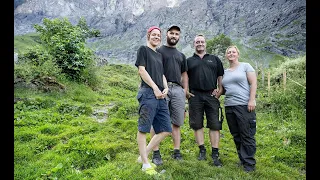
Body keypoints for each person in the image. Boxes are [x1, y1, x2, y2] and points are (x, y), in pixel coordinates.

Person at [135, 26, 172, 175]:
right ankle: (145, 163)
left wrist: (165, 88)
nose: (156, 37)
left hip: (160, 96)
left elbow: (162, 74)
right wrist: (155, 88)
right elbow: (142, 70)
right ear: (148, 36)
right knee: (144, 128)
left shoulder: (159, 55)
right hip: (148, 94)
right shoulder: (143, 50)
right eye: (154, 35)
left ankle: (142, 155)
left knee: (166, 130)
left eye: (158, 35)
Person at [150, 25, 188, 166]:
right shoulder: (158, 51)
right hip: (161, 89)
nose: (174, 36)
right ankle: (156, 152)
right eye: (171, 33)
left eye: (176, 34)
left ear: (179, 36)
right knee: (157, 121)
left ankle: (176, 152)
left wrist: (185, 91)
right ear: (166, 34)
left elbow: (184, 74)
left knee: (177, 122)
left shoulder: (181, 55)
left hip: (178, 90)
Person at [186, 34, 224, 167]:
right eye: (197, 42)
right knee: (197, 124)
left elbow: (220, 76)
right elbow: (184, 77)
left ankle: (215, 153)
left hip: (211, 95)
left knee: (214, 124)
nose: (200, 44)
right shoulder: (189, 60)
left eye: (202, 42)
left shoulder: (214, 59)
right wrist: (186, 90)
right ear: (194, 44)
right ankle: (202, 150)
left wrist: (220, 90)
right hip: (195, 96)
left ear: (205, 44)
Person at [220, 45, 257, 172]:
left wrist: (251, 100)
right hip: (229, 106)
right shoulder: (224, 72)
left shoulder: (245, 66)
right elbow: (225, 90)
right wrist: (217, 92)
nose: (231, 54)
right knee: (236, 134)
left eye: (233, 52)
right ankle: (243, 159)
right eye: (228, 52)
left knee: (246, 134)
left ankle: (249, 164)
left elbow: (253, 83)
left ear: (238, 54)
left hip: (244, 105)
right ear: (226, 55)